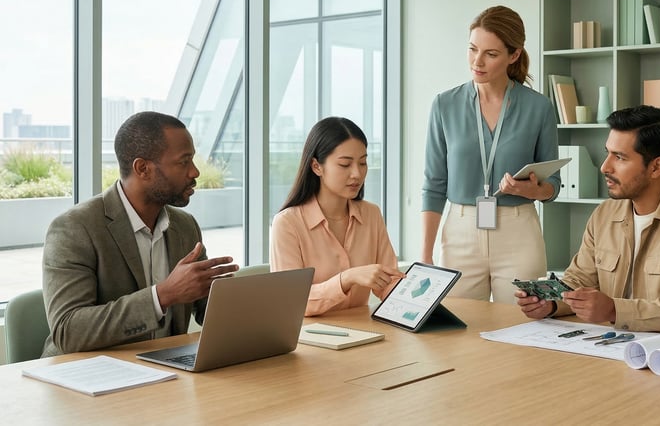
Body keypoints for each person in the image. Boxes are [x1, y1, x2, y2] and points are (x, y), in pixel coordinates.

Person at [517, 105, 660, 332]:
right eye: (607, 153)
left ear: (656, 167)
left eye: (619, 157)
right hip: (615, 345)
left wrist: (614, 310)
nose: (604, 167)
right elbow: (580, 280)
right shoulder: (604, 214)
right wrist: (549, 303)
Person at [41, 111, 239, 357]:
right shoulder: (74, 228)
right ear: (143, 168)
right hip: (86, 377)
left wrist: (232, 302)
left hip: (163, 371)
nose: (195, 172)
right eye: (183, 162)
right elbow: (68, 331)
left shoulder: (185, 226)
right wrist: (163, 295)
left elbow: (204, 306)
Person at [421, 5, 560, 303]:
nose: (477, 61)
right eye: (472, 49)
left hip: (518, 231)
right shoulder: (444, 105)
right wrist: (425, 255)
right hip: (459, 231)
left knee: (525, 327)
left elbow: (553, 188)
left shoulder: (539, 108)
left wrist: (528, 189)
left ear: (514, 55)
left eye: (490, 54)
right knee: (459, 331)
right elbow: (433, 184)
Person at [270, 117, 404, 316]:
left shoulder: (371, 214)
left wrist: (418, 298)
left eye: (363, 163)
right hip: (310, 338)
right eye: (344, 165)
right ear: (316, 166)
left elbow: (387, 282)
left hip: (364, 333)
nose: (357, 174)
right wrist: (347, 278)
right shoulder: (287, 223)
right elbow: (293, 301)